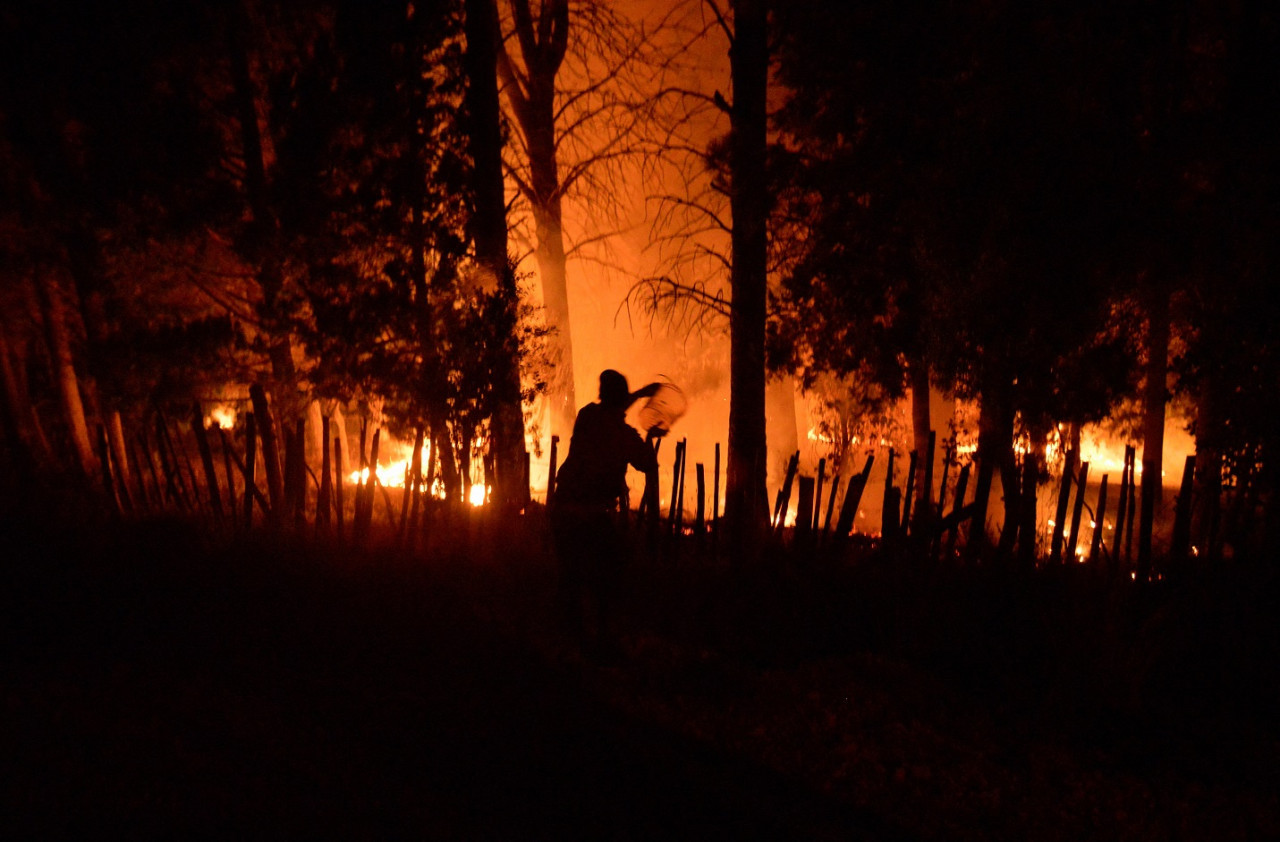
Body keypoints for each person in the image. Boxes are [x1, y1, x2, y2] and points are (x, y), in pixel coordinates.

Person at [550, 369, 661, 654]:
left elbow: (612, 408)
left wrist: (639, 394)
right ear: (620, 399)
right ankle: (600, 640)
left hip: (564, 507)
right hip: (590, 513)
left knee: (571, 576)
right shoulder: (624, 435)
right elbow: (647, 463)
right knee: (607, 577)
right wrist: (650, 434)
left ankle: (569, 642)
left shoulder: (588, 416)